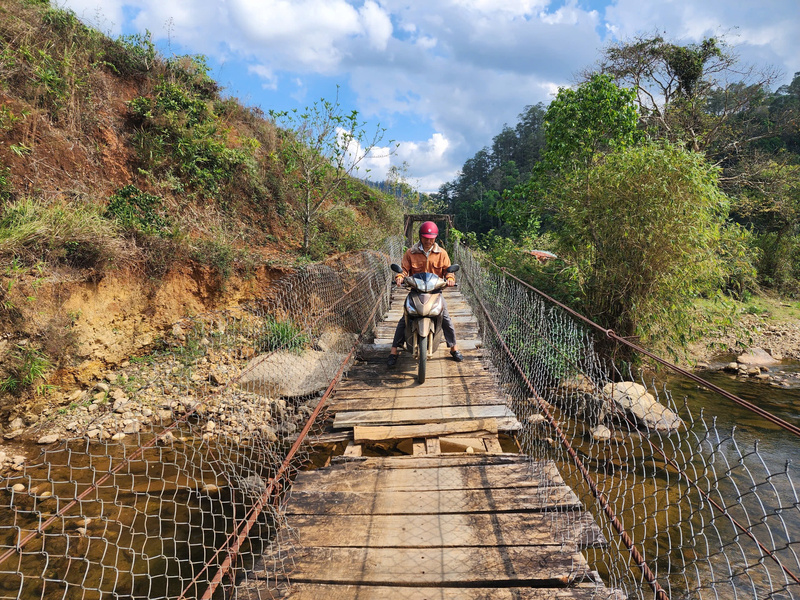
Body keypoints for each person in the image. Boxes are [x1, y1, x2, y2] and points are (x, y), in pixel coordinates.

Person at [387, 221, 463, 367]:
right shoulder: (411, 252)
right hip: (416, 291)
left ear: (435, 237)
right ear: (420, 236)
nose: (429, 240)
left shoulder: (442, 254)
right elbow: (403, 269)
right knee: (405, 318)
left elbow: (449, 270)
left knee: (445, 317)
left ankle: (453, 348)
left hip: (435, 292)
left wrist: (450, 278)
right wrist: (399, 277)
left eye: (432, 237)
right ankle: (393, 351)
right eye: (426, 237)